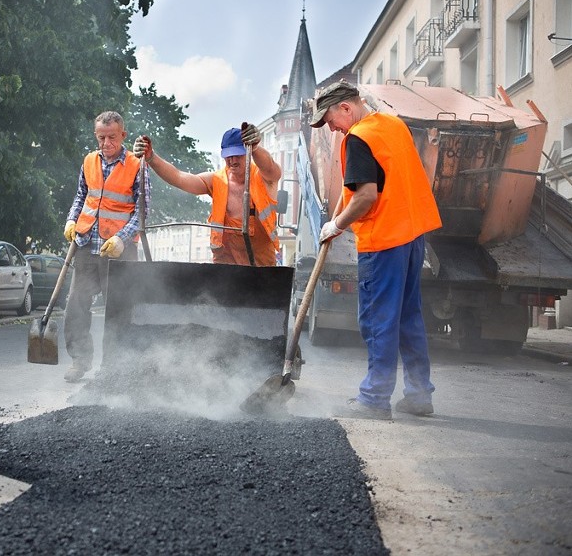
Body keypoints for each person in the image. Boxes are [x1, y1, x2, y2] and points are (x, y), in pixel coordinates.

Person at [309, 80, 442, 420]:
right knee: (408, 317)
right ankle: (418, 395)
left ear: (347, 108)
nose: (332, 129)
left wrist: (337, 223)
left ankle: (374, 398)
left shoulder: (359, 138)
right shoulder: (392, 125)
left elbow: (366, 196)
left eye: (330, 120)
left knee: (377, 319)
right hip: (413, 236)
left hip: (384, 241)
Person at [62, 111, 149, 382]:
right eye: (101, 137)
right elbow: (81, 196)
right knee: (76, 303)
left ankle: (112, 367)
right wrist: (71, 220)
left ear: (122, 134)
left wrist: (122, 239)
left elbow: (143, 211)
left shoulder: (137, 164)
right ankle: (79, 361)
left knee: (119, 308)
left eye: (112, 137)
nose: (106, 143)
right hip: (87, 244)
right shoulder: (89, 161)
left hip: (120, 252)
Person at [133, 124, 281, 266]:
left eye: (238, 155)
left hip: (262, 268)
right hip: (226, 268)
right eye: (228, 156)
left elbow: (270, 166)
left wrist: (255, 148)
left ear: (247, 152)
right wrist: (151, 157)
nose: (233, 161)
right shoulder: (216, 181)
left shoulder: (264, 178)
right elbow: (179, 178)